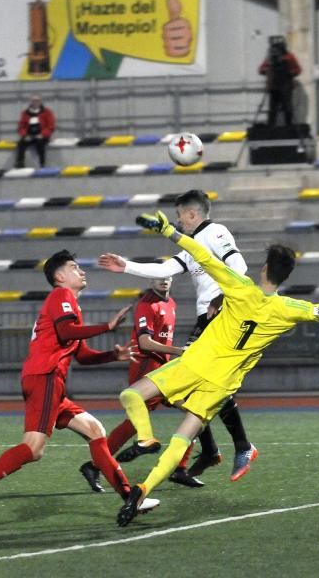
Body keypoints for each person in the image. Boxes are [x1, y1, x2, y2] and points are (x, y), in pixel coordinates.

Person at [115, 210, 319, 527]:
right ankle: (142, 489)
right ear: (284, 276)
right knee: (181, 440)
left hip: (194, 363)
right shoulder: (289, 308)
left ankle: (146, 438)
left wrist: (167, 230)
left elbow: (203, 254)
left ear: (265, 268)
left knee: (132, 395)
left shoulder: (240, 286)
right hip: (221, 383)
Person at [0, 250, 160, 523]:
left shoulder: (69, 305)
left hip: (50, 381)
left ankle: (130, 497)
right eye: (75, 267)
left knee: (94, 430)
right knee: (34, 448)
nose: (82, 271)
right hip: (46, 377)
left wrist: (113, 355)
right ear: (59, 276)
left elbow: (82, 354)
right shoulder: (60, 297)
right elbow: (66, 333)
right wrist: (107, 326)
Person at [98, 189, 257, 482]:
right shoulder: (192, 244)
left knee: (203, 385)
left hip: (220, 316)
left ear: (192, 214)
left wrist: (223, 296)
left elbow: (239, 266)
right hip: (207, 319)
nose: (178, 222)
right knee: (201, 388)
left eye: (180, 216)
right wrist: (127, 266)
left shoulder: (214, 232)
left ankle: (237, 447)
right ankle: (220, 449)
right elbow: (165, 268)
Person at [78, 276, 204, 493]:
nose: (164, 280)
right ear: (150, 279)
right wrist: (180, 352)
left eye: (168, 275)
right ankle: (96, 465)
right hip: (147, 368)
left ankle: (179, 468)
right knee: (186, 412)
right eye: (158, 276)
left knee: (196, 409)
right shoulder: (146, 305)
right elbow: (145, 343)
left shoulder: (170, 303)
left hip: (165, 368)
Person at [258, 35, 301, 127]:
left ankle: (289, 126)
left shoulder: (289, 57)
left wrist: (289, 72)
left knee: (287, 107)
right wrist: (269, 69)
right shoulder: (270, 58)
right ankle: (271, 127)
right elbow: (261, 69)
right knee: (272, 108)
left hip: (286, 86)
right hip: (273, 87)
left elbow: (298, 70)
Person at [15, 95, 55, 168]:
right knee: (21, 143)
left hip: (42, 136)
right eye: (34, 101)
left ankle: (42, 163)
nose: (35, 102)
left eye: (37, 100)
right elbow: (21, 127)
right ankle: (20, 162)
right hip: (29, 135)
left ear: (40, 102)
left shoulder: (47, 112)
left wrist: (43, 134)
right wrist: (25, 135)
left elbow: (51, 126)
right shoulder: (25, 113)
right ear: (31, 102)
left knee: (40, 143)